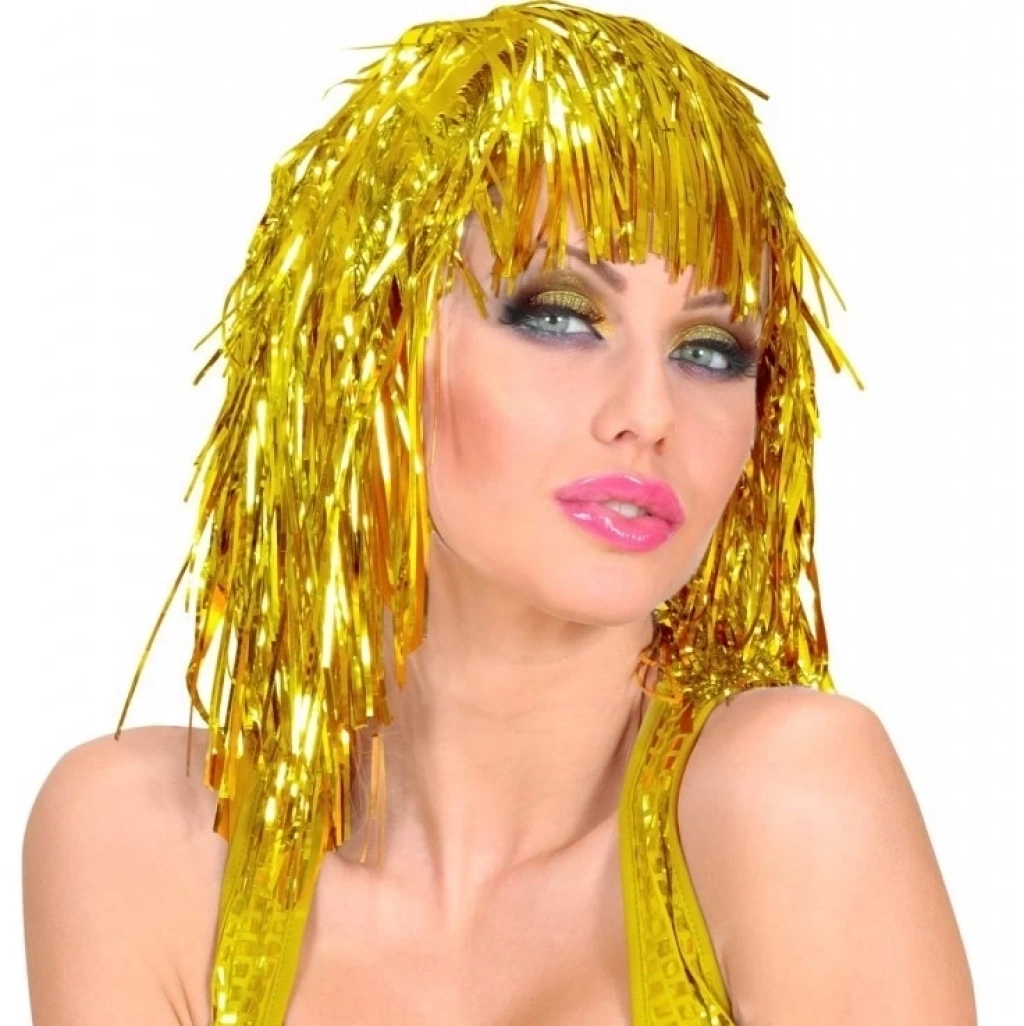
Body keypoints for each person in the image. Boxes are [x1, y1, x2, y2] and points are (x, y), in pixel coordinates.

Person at [22, 2, 976, 1024]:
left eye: (708, 349)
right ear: (370, 348)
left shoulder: (793, 798)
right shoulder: (143, 846)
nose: (649, 413)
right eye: (560, 317)